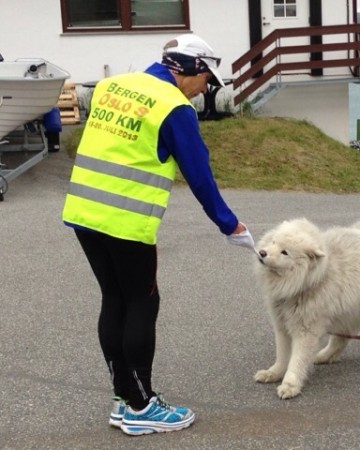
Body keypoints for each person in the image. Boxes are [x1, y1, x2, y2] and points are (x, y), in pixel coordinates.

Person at [62, 34, 255, 436]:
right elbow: (199, 175)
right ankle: (141, 405)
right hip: (127, 221)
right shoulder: (174, 108)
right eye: (207, 81)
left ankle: (122, 397)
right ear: (191, 70)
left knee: (113, 298)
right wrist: (229, 224)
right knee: (141, 303)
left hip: (83, 211)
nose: (206, 90)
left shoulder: (113, 86)